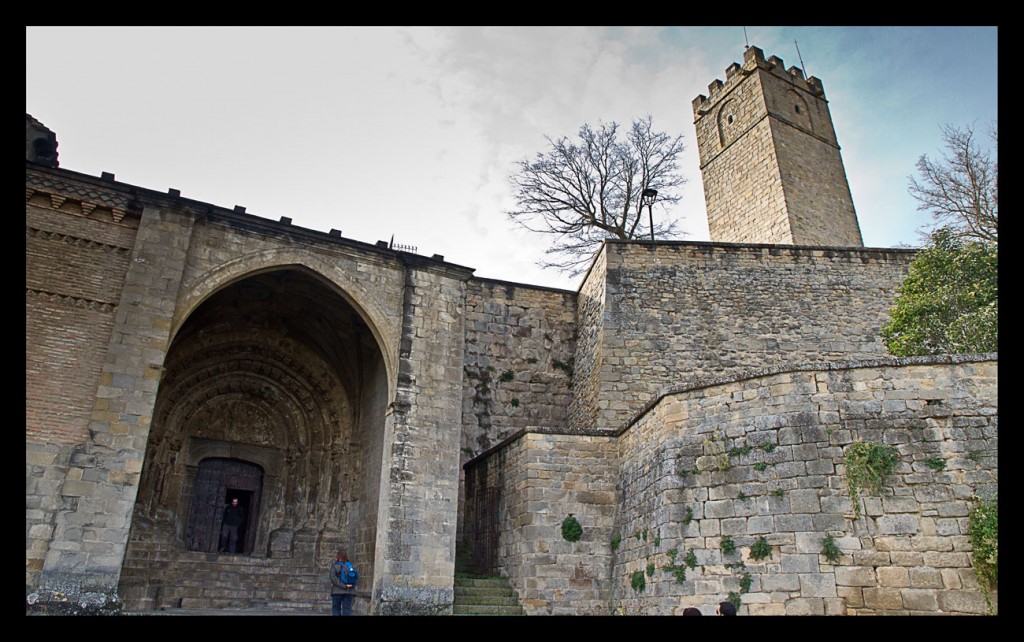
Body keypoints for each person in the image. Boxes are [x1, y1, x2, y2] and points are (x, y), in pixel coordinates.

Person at [330, 551, 355, 616]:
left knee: (336, 609)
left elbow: (333, 578)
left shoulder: (335, 566)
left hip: (337, 591)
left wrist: (344, 585)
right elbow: (355, 577)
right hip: (348, 591)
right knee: (347, 609)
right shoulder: (350, 566)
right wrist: (348, 585)